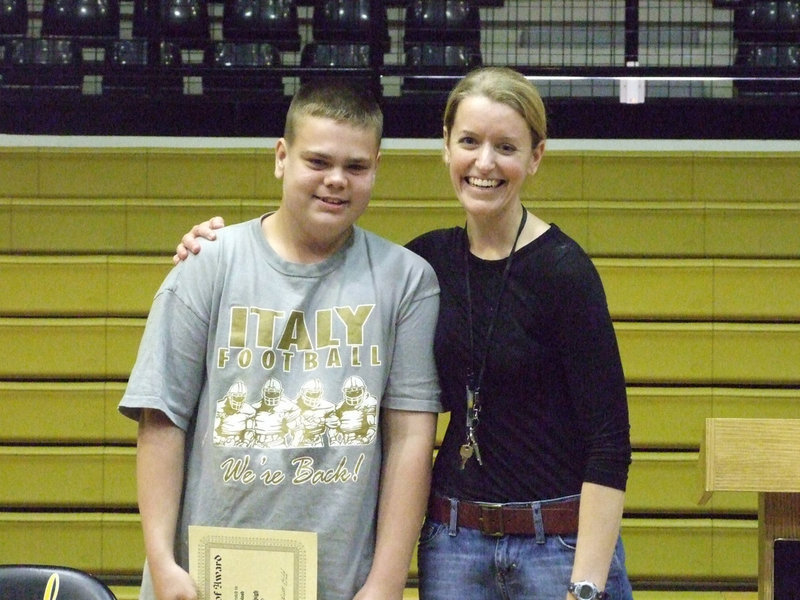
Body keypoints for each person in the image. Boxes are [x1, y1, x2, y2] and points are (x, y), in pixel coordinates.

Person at [176, 66, 633, 600]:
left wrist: (585, 585)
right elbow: (314, 257)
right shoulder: (423, 264)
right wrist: (213, 244)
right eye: (469, 142)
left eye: (505, 147)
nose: (484, 162)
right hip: (454, 541)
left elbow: (610, 444)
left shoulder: (564, 271)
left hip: (555, 544)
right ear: (446, 148)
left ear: (534, 157)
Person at [120, 79, 442, 600]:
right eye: (318, 161)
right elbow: (162, 419)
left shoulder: (407, 280)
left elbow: (410, 439)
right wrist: (162, 563)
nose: (336, 180)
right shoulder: (209, 263)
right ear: (281, 157)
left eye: (356, 167)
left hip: (340, 583)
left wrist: (385, 582)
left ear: (377, 168)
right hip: (205, 581)